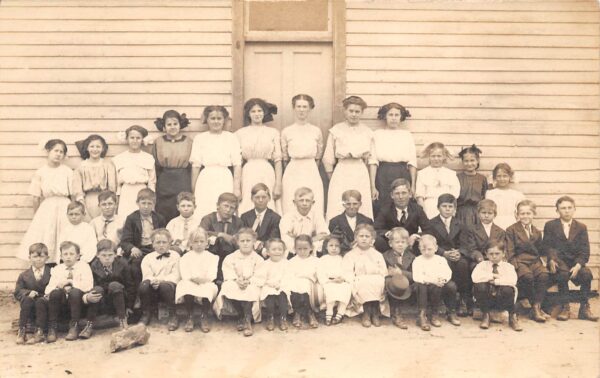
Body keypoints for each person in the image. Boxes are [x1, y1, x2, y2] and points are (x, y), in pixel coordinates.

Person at [17, 139, 73, 264]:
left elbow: (73, 194)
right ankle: (46, 265)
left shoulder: (67, 171)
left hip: (64, 205)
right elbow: (36, 197)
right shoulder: (41, 172)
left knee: (64, 235)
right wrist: (37, 216)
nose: (58, 154)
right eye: (55, 150)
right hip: (47, 206)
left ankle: (63, 264)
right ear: (48, 152)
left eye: (61, 152)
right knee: (46, 235)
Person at [544, 196, 598, 321]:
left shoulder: (581, 227)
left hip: (575, 262)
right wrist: (551, 259)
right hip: (558, 261)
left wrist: (578, 265)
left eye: (569, 208)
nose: (566, 211)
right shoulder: (550, 225)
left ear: (574, 209)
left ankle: (584, 308)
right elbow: (547, 246)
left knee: (586, 274)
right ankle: (565, 306)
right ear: (557, 211)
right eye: (563, 208)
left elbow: (585, 251)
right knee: (562, 274)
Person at [323, 95, 377, 221]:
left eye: (357, 111)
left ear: (362, 113)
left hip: (360, 171)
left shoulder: (368, 132)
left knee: (361, 202)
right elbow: (328, 158)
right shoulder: (336, 130)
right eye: (351, 111)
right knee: (338, 203)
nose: (354, 114)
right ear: (345, 111)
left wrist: (372, 185)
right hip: (341, 170)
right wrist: (333, 180)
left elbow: (372, 160)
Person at [428, 193, 475, 317]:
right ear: (438, 207)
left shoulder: (460, 223)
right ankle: (442, 301)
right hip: (439, 255)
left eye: (450, 206)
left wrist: (459, 253)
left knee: (463, 264)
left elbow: (466, 244)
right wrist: (443, 253)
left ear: (454, 208)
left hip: (456, 254)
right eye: (444, 206)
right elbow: (429, 242)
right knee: (443, 264)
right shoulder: (431, 223)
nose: (447, 209)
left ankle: (463, 300)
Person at [191, 106, 242, 218]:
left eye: (219, 118)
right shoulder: (200, 138)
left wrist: (236, 188)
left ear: (224, 120)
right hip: (205, 178)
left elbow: (237, 164)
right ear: (207, 120)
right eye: (212, 118)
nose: (216, 121)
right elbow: (196, 166)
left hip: (224, 177)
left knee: (225, 207)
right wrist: (194, 188)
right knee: (204, 208)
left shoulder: (231, 137)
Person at [213, 228, 264, 337]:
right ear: (237, 242)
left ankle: (247, 320)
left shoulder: (258, 259)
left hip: (251, 283)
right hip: (236, 281)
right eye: (242, 241)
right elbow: (228, 271)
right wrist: (237, 280)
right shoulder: (231, 257)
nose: (245, 243)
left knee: (251, 290)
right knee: (228, 287)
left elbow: (260, 275)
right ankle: (241, 315)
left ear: (254, 241)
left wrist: (249, 281)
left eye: (248, 241)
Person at [235, 98, 282, 214]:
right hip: (248, 171)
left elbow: (278, 160)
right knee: (248, 200)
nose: (257, 114)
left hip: (266, 170)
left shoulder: (273, 132)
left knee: (267, 199)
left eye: (260, 111)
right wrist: (237, 186)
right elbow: (237, 162)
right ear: (248, 114)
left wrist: (278, 184)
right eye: (253, 111)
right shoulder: (240, 133)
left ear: (265, 112)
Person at [281, 94, 324, 216]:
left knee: (312, 198)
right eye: (298, 106)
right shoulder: (287, 131)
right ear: (294, 108)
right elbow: (285, 156)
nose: (301, 110)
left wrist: (311, 165)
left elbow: (318, 155)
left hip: (311, 168)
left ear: (310, 109)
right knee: (291, 198)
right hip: (293, 168)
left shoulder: (316, 131)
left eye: (305, 106)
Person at [505, 200, 549, 322]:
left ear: (533, 214)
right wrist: (514, 265)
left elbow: (540, 251)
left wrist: (543, 262)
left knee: (544, 275)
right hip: (520, 261)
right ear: (517, 215)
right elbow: (509, 250)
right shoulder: (511, 230)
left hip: (534, 262)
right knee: (527, 277)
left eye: (528, 213)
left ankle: (536, 306)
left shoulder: (536, 231)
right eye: (522, 213)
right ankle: (535, 308)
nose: (525, 216)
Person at [372, 103, 416, 216]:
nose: (393, 118)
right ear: (384, 116)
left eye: (397, 115)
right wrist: (372, 185)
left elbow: (412, 162)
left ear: (401, 117)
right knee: (383, 203)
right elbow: (373, 161)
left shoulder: (406, 135)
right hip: (383, 173)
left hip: (402, 171)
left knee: (402, 202)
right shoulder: (377, 134)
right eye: (390, 114)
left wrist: (413, 185)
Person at [45, 241, 94, 342]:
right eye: (65, 254)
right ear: (61, 256)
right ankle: (52, 327)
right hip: (62, 306)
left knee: (74, 292)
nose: (68, 257)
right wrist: (60, 286)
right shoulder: (57, 269)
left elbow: (88, 286)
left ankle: (74, 327)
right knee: (55, 292)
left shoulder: (84, 267)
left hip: (79, 304)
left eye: (71, 254)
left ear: (78, 256)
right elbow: (48, 289)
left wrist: (71, 282)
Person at [152, 110, 193, 222]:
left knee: (182, 206)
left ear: (180, 124)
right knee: (164, 209)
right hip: (164, 179)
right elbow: (155, 164)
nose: (172, 127)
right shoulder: (158, 142)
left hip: (183, 179)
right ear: (164, 126)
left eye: (175, 124)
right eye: (169, 124)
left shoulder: (189, 142)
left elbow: (192, 164)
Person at [175, 227, 219, 333]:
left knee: (208, 289)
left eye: (201, 241)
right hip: (190, 281)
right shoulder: (185, 257)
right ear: (190, 243)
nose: (199, 244)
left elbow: (212, 274)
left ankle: (204, 316)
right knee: (185, 286)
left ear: (206, 243)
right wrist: (193, 279)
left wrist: (203, 280)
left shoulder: (212, 257)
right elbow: (184, 274)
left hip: (206, 282)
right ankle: (190, 316)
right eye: (195, 242)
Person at [86, 239, 135, 334]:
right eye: (104, 255)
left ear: (116, 255)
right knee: (97, 289)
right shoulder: (93, 266)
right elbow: (92, 285)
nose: (107, 258)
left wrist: (129, 306)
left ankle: (122, 320)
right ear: (97, 255)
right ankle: (89, 324)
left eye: (110, 255)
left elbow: (130, 286)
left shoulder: (123, 264)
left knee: (114, 285)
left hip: (120, 299)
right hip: (103, 300)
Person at [412, 235, 460, 331]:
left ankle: (449, 312)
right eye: (423, 249)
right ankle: (422, 315)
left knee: (451, 286)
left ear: (436, 248)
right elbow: (417, 276)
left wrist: (443, 280)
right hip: (424, 285)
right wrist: (432, 281)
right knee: (421, 286)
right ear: (419, 249)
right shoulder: (418, 260)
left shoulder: (440, 259)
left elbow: (447, 272)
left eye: (429, 249)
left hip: (439, 284)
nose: (426, 252)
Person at [472, 240, 522, 331]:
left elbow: (512, 280)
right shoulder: (482, 265)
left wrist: (496, 282)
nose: (494, 256)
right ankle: (486, 315)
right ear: (486, 254)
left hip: (503, 300)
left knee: (508, 289)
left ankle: (512, 317)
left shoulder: (508, 267)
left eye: (497, 253)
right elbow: (475, 277)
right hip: (487, 300)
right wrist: (493, 275)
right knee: (480, 286)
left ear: (503, 254)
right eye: (491, 254)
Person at [343, 224, 387, 328]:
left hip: (375, 280)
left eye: (367, 236)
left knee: (378, 281)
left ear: (372, 239)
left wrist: (379, 276)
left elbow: (383, 271)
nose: (364, 239)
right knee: (363, 282)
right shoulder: (350, 255)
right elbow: (347, 272)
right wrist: (352, 279)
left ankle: (375, 312)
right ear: (356, 237)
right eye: (361, 236)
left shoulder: (377, 254)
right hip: (359, 280)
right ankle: (366, 313)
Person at [120, 188, 166, 285]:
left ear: (154, 204)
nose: (146, 206)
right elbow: (125, 241)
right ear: (137, 203)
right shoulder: (131, 218)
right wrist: (132, 248)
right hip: (139, 249)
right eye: (143, 203)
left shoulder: (159, 218)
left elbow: (163, 236)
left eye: (149, 203)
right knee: (135, 265)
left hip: (155, 249)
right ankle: (139, 290)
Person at [138, 229, 181, 330]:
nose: (161, 245)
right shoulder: (148, 258)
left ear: (169, 243)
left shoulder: (175, 256)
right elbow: (147, 275)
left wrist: (161, 281)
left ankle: (173, 315)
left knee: (165, 286)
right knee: (143, 286)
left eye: (164, 242)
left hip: (169, 287)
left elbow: (176, 275)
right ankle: (146, 314)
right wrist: (153, 281)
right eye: (158, 242)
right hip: (153, 286)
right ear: (153, 244)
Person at [374, 178, 431, 253]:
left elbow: (429, 230)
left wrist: (415, 236)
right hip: (391, 247)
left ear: (410, 194)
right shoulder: (385, 209)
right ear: (392, 195)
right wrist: (389, 233)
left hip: (411, 245)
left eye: (404, 193)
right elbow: (375, 229)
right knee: (378, 240)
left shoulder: (417, 209)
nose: (401, 197)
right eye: (397, 193)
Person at [199, 192, 243, 283]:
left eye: (232, 208)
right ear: (218, 205)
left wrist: (235, 239)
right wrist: (221, 235)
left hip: (230, 255)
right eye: (225, 206)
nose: (228, 210)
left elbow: (241, 238)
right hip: (212, 253)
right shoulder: (208, 218)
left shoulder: (238, 222)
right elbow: (201, 233)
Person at [113, 125, 156, 217]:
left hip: (142, 192)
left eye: (138, 138)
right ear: (127, 139)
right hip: (126, 192)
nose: (135, 141)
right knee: (125, 217)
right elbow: (117, 184)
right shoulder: (119, 158)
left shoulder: (148, 158)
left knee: (142, 218)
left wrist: (151, 198)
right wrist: (117, 200)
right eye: (132, 138)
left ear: (142, 140)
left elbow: (152, 181)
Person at [72, 134, 117, 219]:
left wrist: (109, 202)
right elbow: (77, 188)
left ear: (103, 148)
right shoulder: (81, 166)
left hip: (105, 200)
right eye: (92, 146)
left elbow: (112, 187)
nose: (95, 149)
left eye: (98, 146)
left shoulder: (107, 165)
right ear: (87, 148)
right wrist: (81, 203)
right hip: (87, 200)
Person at [14, 243, 51, 344]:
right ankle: (22, 329)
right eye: (35, 256)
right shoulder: (24, 275)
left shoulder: (52, 272)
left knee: (41, 302)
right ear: (29, 258)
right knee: (27, 300)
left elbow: (55, 286)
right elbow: (17, 292)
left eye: (42, 256)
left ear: (47, 258)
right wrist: (27, 293)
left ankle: (40, 331)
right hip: (29, 306)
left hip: (45, 306)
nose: (38, 259)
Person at [279, 187, 328, 258]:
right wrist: (313, 239)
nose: (304, 203)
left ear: (313, 202)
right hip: (293, 255)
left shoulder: (317, 216)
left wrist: (297, 239)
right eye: (301, 200)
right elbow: (286, 240)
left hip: (314, 254)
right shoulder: (287, 217)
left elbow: (324, 235)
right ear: (294, 202)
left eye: (307, 200)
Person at [415, 142, 460, 219]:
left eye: (439, 156)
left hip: (446, 207)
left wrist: (451, 210)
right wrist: (423, 213)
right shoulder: (422, 173)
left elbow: (455, 194)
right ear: (429, 157)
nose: (436, 159)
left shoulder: (451, 174)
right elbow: (420, 196)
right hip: (429, 207)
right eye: (433, 156)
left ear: (444, 157)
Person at [382, 228, 416, 330]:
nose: (400, 245)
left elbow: (415, 275)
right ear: (390, 243)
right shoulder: (384, 256)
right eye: (397, 242)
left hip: (408, 284)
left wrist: (402, 273)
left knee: (420, 284)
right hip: (392, 285)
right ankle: (396, 314)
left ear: (407, 244)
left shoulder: (412, 257)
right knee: (391, 282)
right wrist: (390, 273)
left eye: (403, 242)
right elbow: (382, 271)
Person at [285, 235, 320, 329]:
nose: (302, 251)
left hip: (311, 283)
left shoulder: (316, 261)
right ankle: (297, 312)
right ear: (295, 249)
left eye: (305, 248)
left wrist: (314, 278)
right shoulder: (292, 261)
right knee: (294, 287)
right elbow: (289, 275)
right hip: (296, 283)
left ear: (311, 248)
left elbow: (319, 274)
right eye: (299, 249)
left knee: (305, 286)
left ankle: (310, 312)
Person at [317, 235, 351, 326]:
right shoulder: (323, 259)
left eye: (337, 246)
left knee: (346, 288)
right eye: (331, 246)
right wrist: (328, 281)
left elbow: (347, 271)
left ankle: (341, 312)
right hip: (329, 281)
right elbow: (320, 273)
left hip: (341, 281)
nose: (334, 248)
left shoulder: (343, 259)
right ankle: (329, 312)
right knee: (330, 289)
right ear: (326, 247)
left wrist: (343, 278)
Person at [240, 183, 281, 258]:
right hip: (248, 252)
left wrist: (260, 245)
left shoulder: (275, 217)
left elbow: (273, 239)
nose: (260, 200)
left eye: (264, 197)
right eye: (257, 197)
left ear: (269, 198)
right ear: (252, 198)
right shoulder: (245, 216)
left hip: (266, 253)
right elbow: (242, 236)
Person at [258, 238, 290, 331]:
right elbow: (261, 277)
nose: (277, 252)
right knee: (270, 298)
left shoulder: (286, 263)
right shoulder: (265, 264)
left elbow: (288, 276)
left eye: (280, 249)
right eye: (274, 249)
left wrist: (280, 284)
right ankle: (270, 317)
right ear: (268, 252)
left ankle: (283, 318)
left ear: (284, 252)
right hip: (269, 285)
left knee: (283, 297)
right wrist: (270, 283)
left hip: (282, 285)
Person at [327, 189, 373, 255]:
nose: (351, 207)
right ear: (343, 204)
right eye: (348, 204)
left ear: (360, 204)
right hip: (342, 254)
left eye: (355, 204)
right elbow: (333, 242)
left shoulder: (367, 221)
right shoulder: (335, 222)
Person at [485, 163, 525, 230]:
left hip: (511, 224)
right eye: (499, 176)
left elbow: (521, 213)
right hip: (494, 224)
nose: (502, 179)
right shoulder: (490, 194)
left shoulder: (517, 195)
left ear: (510, 177)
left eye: (505, 176)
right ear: (495, 177)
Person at [469, 199, 506, 270]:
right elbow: (472, 249)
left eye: (490, 213)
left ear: (495, 215)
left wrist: (497, 258)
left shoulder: (500, 231)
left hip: (496, 258)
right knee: (474, 267)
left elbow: (502, 247)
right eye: (483, 213)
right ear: (478, 214)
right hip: (479, 259)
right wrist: (479, 258)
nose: (486, 215)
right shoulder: (472, 230)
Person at [456, 144, 488, 227]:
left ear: (477, 161)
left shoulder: (482, 179)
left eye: (472, 160)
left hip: (477, 213)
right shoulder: (457, 178)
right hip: (460, 213)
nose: (469, 163)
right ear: (462, 162)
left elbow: (484, 197)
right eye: (466, 161)